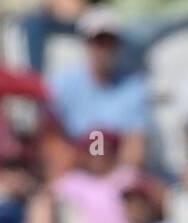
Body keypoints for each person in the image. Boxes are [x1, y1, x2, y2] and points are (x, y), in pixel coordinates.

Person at [47, 7, 149, 168]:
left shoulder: (134, 86)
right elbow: (52, 138)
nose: (104, 49)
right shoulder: (63, 84)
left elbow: (134, 147)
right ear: (86, 43)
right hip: (75, 167)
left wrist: (112, 178)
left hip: (114, 171)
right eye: (98, 42)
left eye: (110, 42)